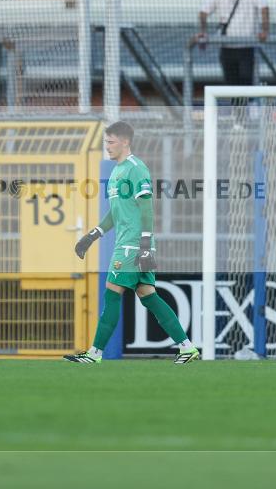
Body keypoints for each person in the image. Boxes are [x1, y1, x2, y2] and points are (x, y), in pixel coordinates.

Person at [66, 121, 199, 365]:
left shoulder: (136, 168)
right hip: (130, 243)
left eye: (111, 142)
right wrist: (93, 235)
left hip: (132, 245)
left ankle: (95, 353)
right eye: (106, 142)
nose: (107, 146)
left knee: (112, 294)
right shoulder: (117, 171)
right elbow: (117, 213)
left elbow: (146, 206)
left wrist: (146, 245)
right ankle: (187, 347)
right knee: (148, 295)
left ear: (125, 142)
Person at [198, 0, 269, 86]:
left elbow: (264, 8)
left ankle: (245, 105)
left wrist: (265, 30)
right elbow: (203, 12)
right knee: (231, 81)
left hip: (246, 44)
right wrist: (203, 31)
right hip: (226, 45)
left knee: (246, 79)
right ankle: (237, 106)